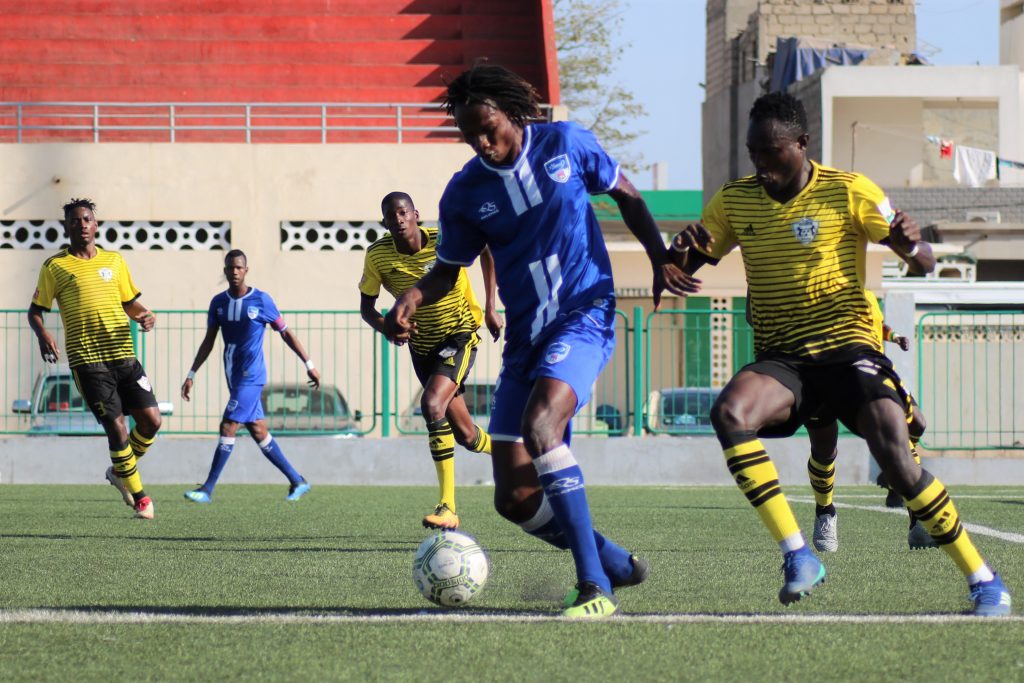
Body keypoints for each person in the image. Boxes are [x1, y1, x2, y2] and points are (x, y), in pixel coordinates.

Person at [671, 92, 1011, 616]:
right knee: (729, 412)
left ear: (802, 144)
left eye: (772, 151)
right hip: (784, 358)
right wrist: (674, 254)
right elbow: (689, 262)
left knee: (896, 455)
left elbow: (921, 260)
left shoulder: (848, 191)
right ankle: (799, 555)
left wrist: (910, 245)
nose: (760, 164)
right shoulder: (735, 199)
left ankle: (984, 580)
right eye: (752, 152)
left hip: (848, 348)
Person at [384, 64, 699, 618]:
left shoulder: (566, 142)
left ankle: (594, 587)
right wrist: (411, 296)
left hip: (585, 313)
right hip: (526, 341)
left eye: (489, 127)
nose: (483, 142)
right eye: (469, 135)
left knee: (542, 427)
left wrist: (658, 258)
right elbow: (446, 268)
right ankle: (614, 563)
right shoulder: (464, 192)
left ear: (512, 113)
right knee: (515, 499)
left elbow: (626, 193)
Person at [360, 192, 501, 529]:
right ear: (384, 222)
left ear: (415, 215)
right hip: (422, 348)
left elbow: (485, 248)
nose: (398, 219)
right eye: (390, 215)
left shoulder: (444, 241)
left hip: (459, 333)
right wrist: (388, 328)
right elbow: (367, 308)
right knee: (467, 436)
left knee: (432, 404)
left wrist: (492, 306)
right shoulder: (377, 256)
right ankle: (518, 454)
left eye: (403, 212)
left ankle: (447, 507)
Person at [28, 198, 161, 519]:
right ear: (67, 227)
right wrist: (43, 334)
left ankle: (119, 473)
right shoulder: (55, 267)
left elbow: (131, 303)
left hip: (124, 356)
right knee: (117, 429)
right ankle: (141, 497)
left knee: (152, 421)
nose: (82, 225)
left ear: (96, 224)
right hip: (88, 362)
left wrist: (145, 315)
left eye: (87, 219)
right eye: (75, 221)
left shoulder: (115, 262)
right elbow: (35, 312)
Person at [181, 250, 319, 503]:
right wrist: (191, 374)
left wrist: (308, 363)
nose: (234, 272)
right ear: (224, 271)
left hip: (252, 377)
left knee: (228, 425)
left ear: (246, 270)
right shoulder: (218, 303)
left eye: (239, 268)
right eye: (230, 268)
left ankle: (207, 489)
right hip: (233, 376)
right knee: (257, 429)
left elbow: (286, 333)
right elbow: (209, 341)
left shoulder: (262, 301)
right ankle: (297, 480)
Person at [804, 290, 935, 553]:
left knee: (915, 425)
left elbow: (877, 323)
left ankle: (917, 519)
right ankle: (825, 511)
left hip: (871, 370)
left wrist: (893, 336)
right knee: (824, 450)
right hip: (825, 373)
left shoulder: (866, 294)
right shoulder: (816, 289)